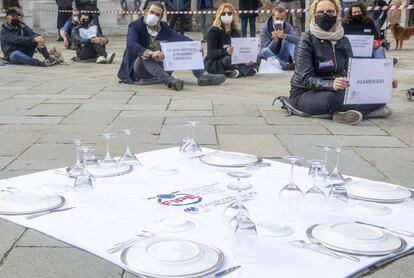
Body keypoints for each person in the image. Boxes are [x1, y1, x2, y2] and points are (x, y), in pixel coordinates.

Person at [287, 0, 396, 125]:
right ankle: (367, 112)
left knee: (378, 96)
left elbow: (354, 70)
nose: (325, 15)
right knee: (331, 99)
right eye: (320, 12)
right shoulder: (306, 40)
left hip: (337, 89)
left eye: (330, 11)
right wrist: (331, 84)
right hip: (305, 93)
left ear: (337, 14)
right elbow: (304, 78)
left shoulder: (343, 40)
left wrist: (383, 80)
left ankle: (339, 114)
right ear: (313, 15)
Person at [117, 1, 226, 90]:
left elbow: (179, 38)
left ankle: (203, 75)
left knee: (187, 47)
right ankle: (169, 81)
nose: (154, 16)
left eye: (157, 14)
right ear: (146, 12)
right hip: (139, 70)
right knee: (144, 56)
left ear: (160, 17)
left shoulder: (163, 26)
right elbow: (131, 44)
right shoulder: (135, 26)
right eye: (152, 12)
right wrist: (151, 53)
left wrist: (194, 46)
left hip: (160, 66)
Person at [204, 3, 257, 78]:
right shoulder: (213, 31)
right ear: (219, 15)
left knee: (255, 57)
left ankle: (234, 72)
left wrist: (246, 56)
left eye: (229, 13)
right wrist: (225, 51)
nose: (226, 15)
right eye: (223, 13)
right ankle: (244, 71)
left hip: (235, 59)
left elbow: (239, 50)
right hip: (217, 61)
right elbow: (211, 53)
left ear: (233, 15)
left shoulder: (236, 31)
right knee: (228, 60)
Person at [259, 6, 300, 70]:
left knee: (288, 40)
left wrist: (285, 36)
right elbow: (265, 49)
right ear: (273, 18)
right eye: (277, 18)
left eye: (281, 19)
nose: (279, 21)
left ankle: (296, 63)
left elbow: (298, 40)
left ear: (285, 18)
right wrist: (274, 41)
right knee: (264, 51)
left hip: (283, 55)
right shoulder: (265, 28)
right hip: (271, 57)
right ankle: (285, 66)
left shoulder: (287, 26)